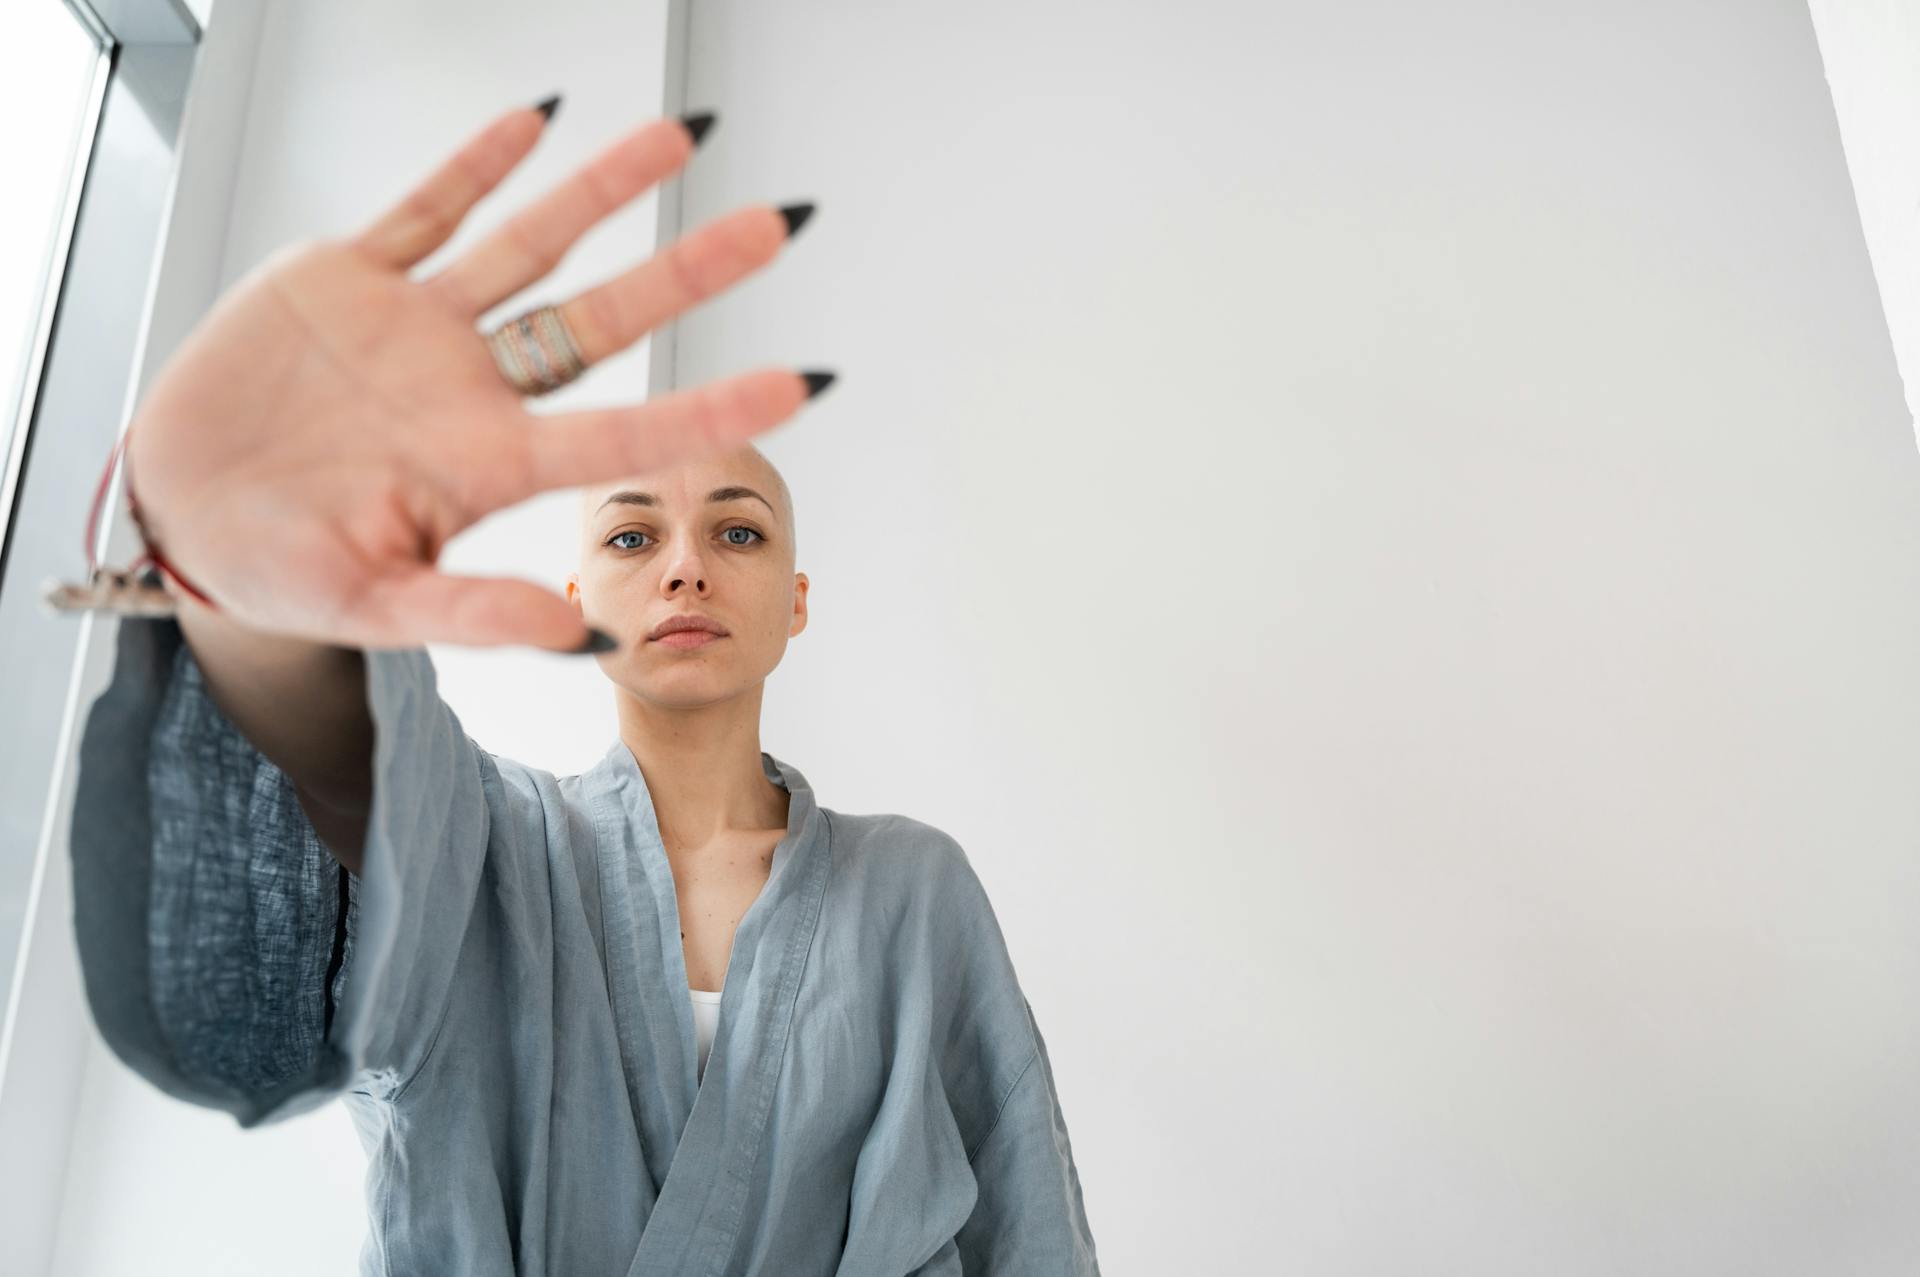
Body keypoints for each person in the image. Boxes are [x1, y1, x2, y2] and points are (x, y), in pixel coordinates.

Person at [64, 98, 1099, 1275]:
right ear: (579, 593)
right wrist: (250, 590)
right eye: (629, 537)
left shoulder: (915, 889)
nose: (686, 563)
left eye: (740, 533)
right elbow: (347, 785)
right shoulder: (493, 842)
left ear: (796, 603)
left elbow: (1030, 1231)